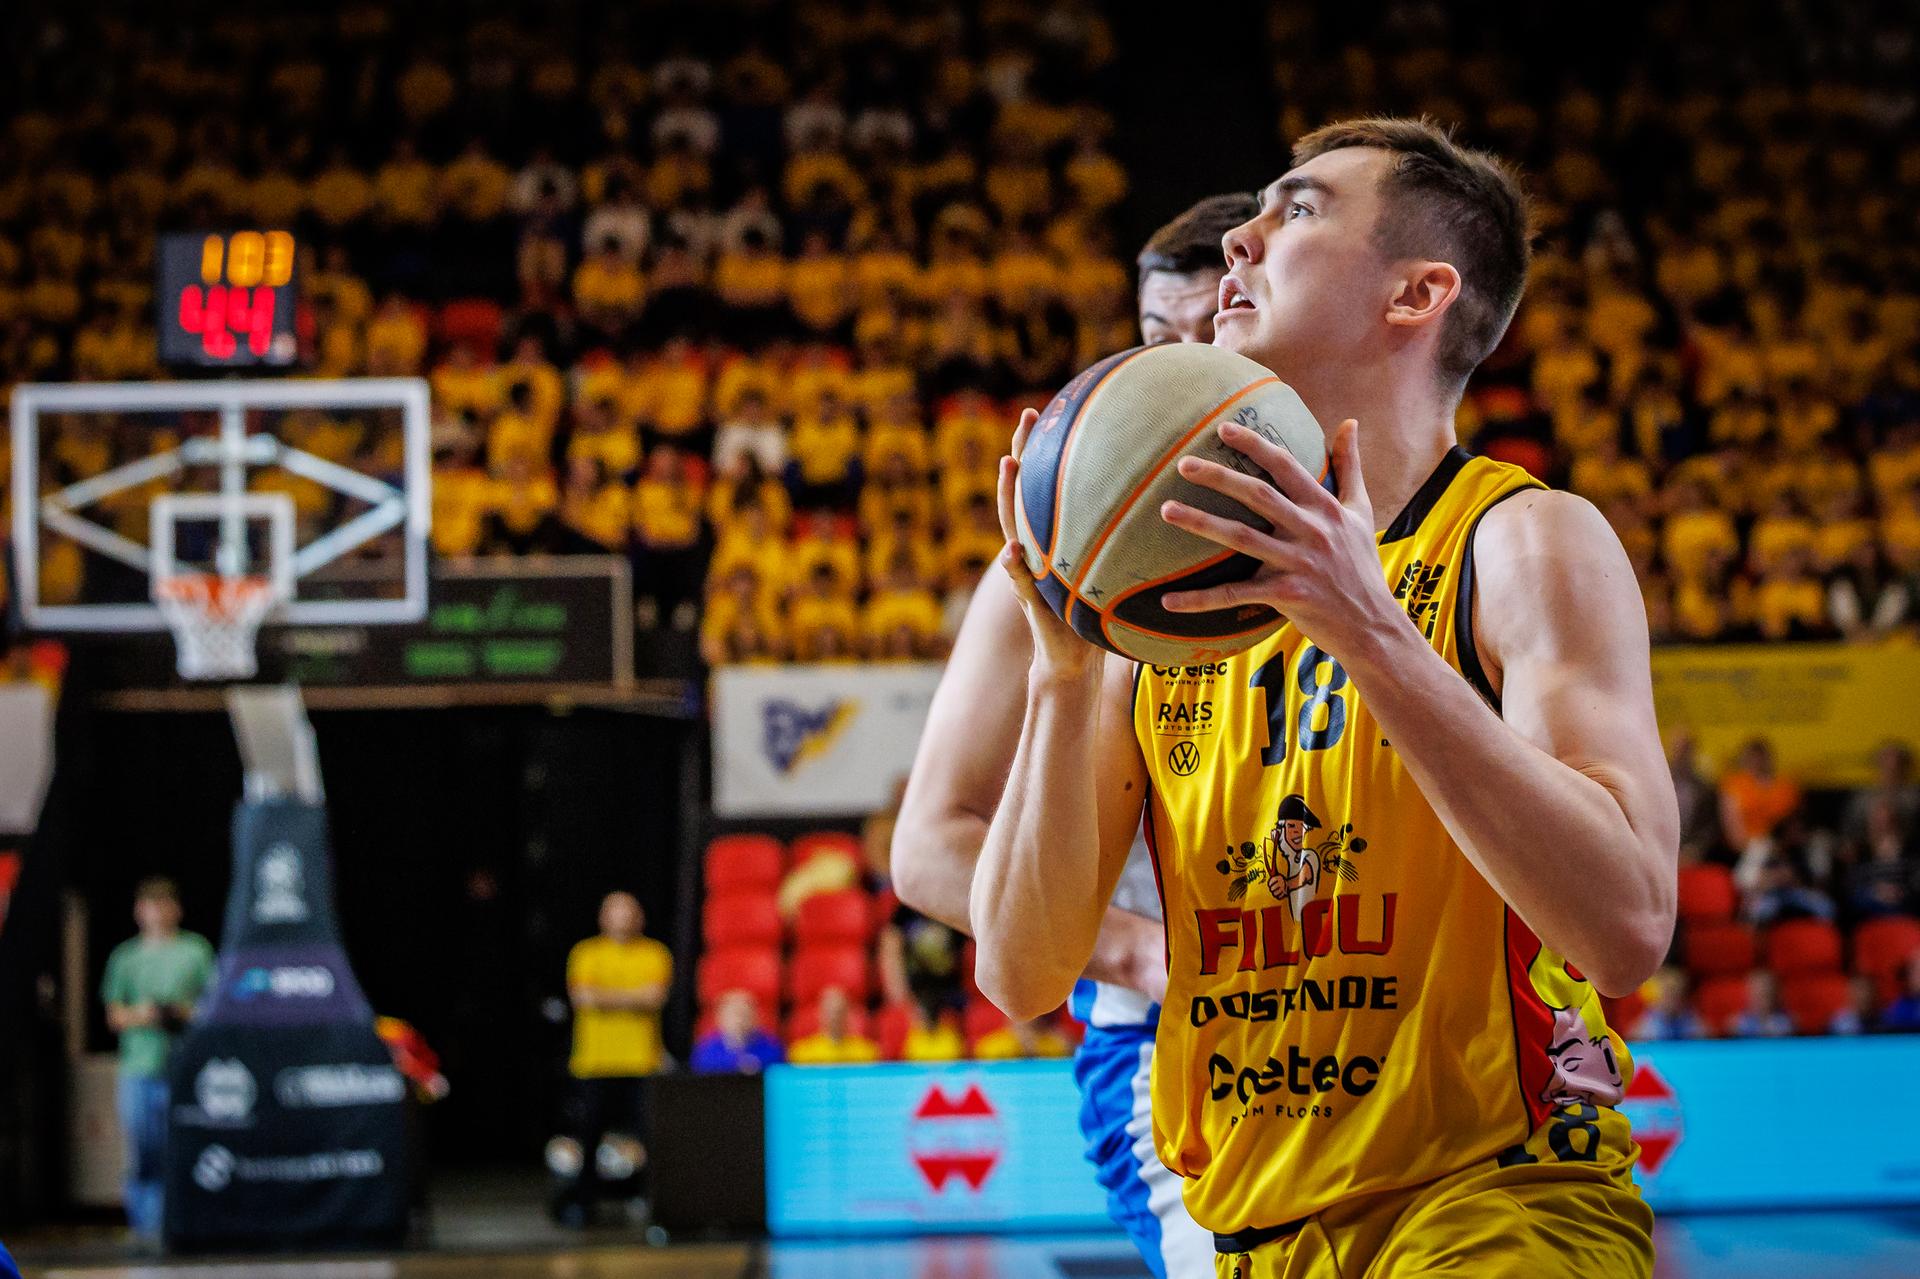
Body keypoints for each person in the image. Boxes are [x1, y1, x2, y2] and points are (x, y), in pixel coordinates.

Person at [969, 120, 1677, 1278]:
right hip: (1257, 1228)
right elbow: (1020, 969)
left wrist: (1372, 632)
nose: (1239, 240)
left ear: (1418, 293)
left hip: (1497, 1198)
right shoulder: (1168, 612)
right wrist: (1063, 676)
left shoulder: (1523, 541)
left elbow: (1627, 923)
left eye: (1294, 211)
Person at [893, 194, 1251, 1279]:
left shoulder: (1375, 538)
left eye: (1215, 333)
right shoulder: (1055, 559)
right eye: (1156, 342)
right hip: (1166, 1046)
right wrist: (1137, 949)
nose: (1182, 369)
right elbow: (928, 849)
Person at [100, 877, 215, 1243]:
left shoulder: (195, 951)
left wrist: (181, 1012)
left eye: (165, 904)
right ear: (139, 911)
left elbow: (214, 1007)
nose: (158, 912)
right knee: (144, 1153)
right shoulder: (126, 957)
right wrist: (146, 1014)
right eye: (151, 905)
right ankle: (146, 1231)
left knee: (182, 1151)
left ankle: (180, 1227)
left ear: (176, 909)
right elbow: (114, 1015)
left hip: (183, 1068)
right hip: (139, 1067)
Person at [554, 891, 672, 1226]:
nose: (623, 918)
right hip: (595, 1062)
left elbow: (654, 998)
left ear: (640, 918)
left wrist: (605, 997)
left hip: (641, 1062)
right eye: (615, 912)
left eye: (629, 912)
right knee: (589, 1137)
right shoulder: (586, 953)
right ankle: (583, 1203)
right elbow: (582, 997)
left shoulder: (654, 953)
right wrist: (632, 997)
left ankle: (653, 1202)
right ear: (603, 918)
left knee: (651, 1136)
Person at [689, 990, 784, 1073]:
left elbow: (778, 1074)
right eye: (733, 1015)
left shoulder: (771, 1046)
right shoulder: (706, 1049)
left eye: (744, 1014)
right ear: (720, 1018)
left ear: (756, 1017)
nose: (739, 1020)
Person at [788, 986, 881, 1064]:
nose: (835, 1017)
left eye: (839, 1011)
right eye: (830, 1011)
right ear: (819, 1014)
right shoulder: (802, 1055)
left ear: (848, 1014)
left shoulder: (866, 1054)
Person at [1635, 967, 1704, 1041]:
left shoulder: (1692, 1018)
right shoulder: (1648, 1021)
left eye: (1676, 994)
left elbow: (1703, 1040)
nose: (1671, 999)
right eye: (1668, 994)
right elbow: (1637, 1041)